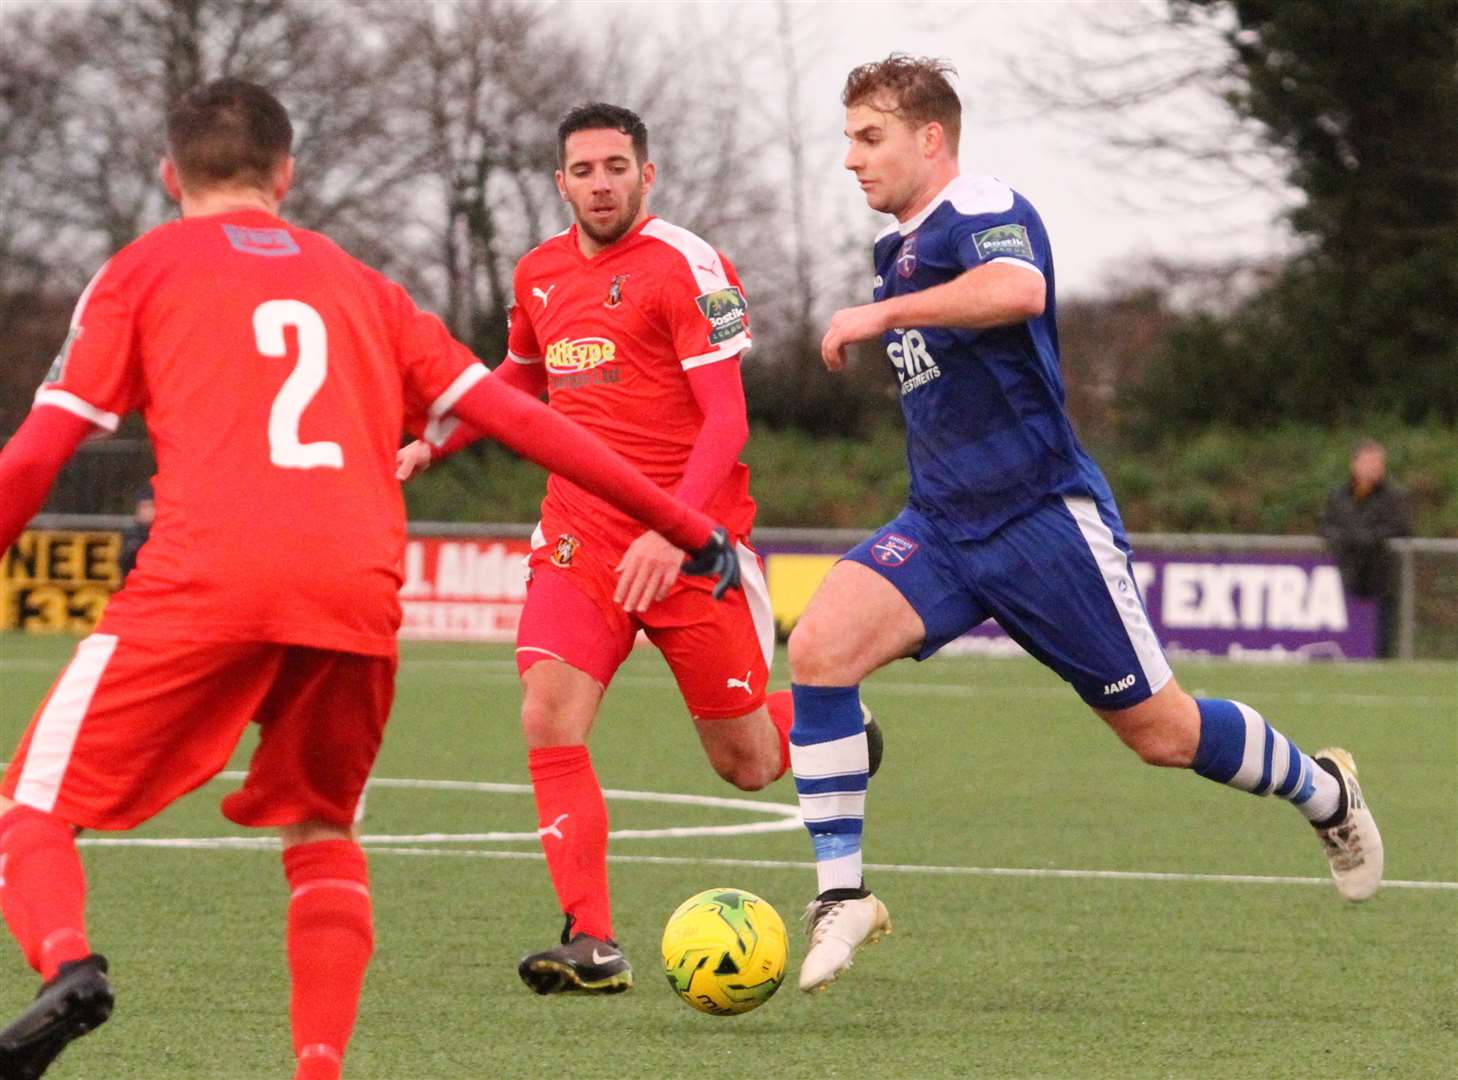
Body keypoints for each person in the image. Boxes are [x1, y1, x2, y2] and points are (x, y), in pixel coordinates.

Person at [0, 79, 739, 1080]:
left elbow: (41, 453)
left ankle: (68, 963)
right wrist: (683, 521)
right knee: (323, 833)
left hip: (205, 572)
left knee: (30, 811)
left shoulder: (142, 269)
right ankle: (318, 1068)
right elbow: (531, 420)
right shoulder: (361, 284)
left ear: (172, 175)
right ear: (286, 175)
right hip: (356, 583)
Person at [783, 55, 1384, 995]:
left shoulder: (981, 204)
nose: (851, 159)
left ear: (929, 138)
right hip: (942, 526)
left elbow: (1018, 290)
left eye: (870, 137)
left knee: (1164, 735)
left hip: (1039, 524)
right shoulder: (892, 248)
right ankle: (840, 896)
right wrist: (886, 300)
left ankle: (1324, 790)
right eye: (848, 138)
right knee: (818, 649)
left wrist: (880, 313)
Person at [397, 102, 880, 997]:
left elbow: (727, 420)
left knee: (749, 767)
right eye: (583, 171)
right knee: (548, 715)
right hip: (578, 538)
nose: (601, 183)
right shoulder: (539, 273)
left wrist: (673, 529)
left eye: (616, 166)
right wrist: (434, 439)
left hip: (693, 547)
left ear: (645, 174)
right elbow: (516, 380)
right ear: (561, 183)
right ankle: (590, 939)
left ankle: (825, 726)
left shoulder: (686, 267)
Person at [1320, 440, 1411, 658]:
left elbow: (1400, 527)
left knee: (1382, 637)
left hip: (1381, 576)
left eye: (1378, 463)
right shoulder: (1339, 495)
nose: (1373, 468)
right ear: (1355, 464)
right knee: (1345, 636)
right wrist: (1345, 539)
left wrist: (1367, 539)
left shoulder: (1394, 496)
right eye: (1368, 462)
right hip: (1346, 575)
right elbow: (1326, 525)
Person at [117, 482, 154, 581]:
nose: (148, 511)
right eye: (144, 507)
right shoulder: (133, 537)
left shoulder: (168, 533)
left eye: (151, 506)